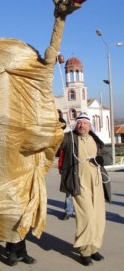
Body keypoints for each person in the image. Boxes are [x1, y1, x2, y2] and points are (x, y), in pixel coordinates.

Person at [58, 112, 112, 266]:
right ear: (76, 125)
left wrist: (102, 160)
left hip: (97, 184)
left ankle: (94, 248)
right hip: (79, 184)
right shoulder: (69, 138)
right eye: (79, 123)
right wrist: (59, 124)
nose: (82, 126)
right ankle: (84, 251)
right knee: (86, 218)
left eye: (85, 123)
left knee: (98, 219)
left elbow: (108, 156)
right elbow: (55, 143)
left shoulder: (96, 140)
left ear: (90, 125)